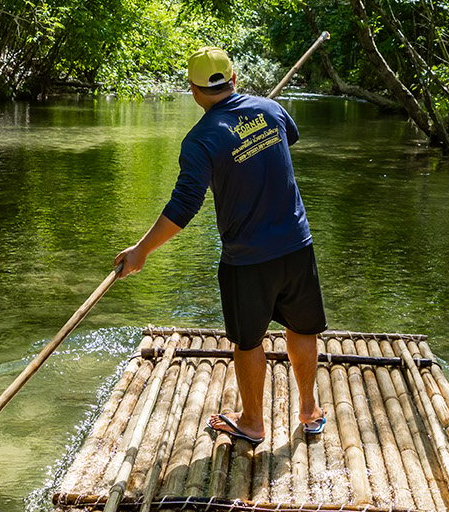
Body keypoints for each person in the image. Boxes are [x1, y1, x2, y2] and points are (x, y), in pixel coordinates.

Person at [114, 45, 326, 446]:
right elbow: (289, 138)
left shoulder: (200, 141)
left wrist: (141, 250)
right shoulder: (270, 110)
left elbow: (183, 207)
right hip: (298, 245)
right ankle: (309, 410)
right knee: (303, 327)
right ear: (233, 80)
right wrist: (255, 134)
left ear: (193, 90)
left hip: (247, 260)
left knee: (248, 340)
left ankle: (252, 422)